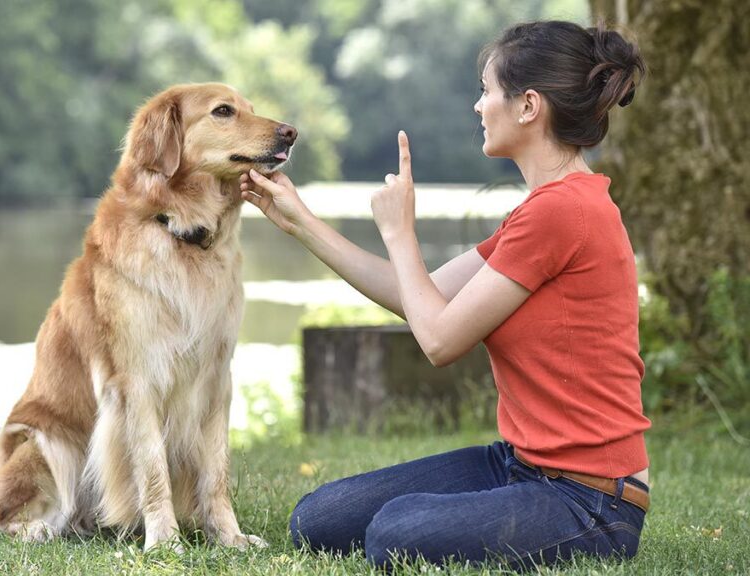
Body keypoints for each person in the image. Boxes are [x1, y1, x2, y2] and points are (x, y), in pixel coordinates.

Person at [239, 20, 651, 570]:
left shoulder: (562, 212)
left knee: (394, 534)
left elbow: (436, 340)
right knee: (317, 519)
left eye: (486, 90)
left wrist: (400, 233)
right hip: (523, 465)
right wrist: (299, 222)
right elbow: (422, 297)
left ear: (529, 105)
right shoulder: (542, 210)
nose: (478, 106)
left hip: (592, 501)